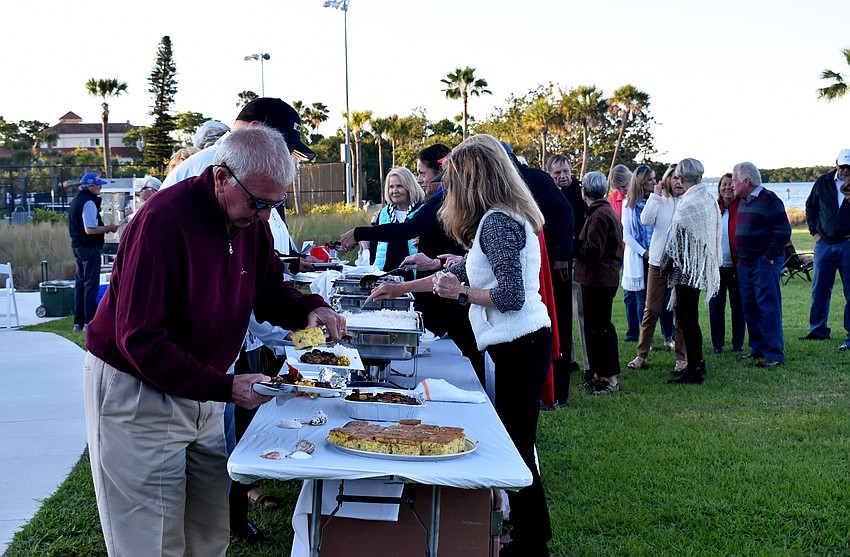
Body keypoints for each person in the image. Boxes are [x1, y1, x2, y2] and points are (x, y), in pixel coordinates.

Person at [82, 125, 345, 556]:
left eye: (274, 204)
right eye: (258, 202)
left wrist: (308, 308)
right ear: (222, 177)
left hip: (204, 386)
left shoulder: (251, 225)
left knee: (207, 531)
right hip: (137, 389)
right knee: (149, 537)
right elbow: (140, 339)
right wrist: (224, 388)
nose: (264, 215)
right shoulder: (162, 222)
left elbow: (269, 288)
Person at [368, 133, 552, 556]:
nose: (448, 188)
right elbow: (471, 273)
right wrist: (406, 286)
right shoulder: (500, 216)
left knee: (518, 446)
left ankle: (530, 542)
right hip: (516, 344)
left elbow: (510, 296)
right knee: (516, 443)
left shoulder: (498, 222)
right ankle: (528, 534)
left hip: (520, 344)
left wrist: (460, 294)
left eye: (453, 178)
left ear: (474, 177)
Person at [341, 164, 487, 386]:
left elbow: (406, 230)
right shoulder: (450, 202)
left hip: (456, 295)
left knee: (472, 349)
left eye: (423, 174)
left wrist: (358, 233)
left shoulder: (448, 203)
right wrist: (434, 262)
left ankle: (482, 394)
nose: (421, 180)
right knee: (470, 350)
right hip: (446, 283)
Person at [502, 142, 574, 407]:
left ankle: (558, 392)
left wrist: (562, 256)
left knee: (558, 323)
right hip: (536, 263)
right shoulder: (512, 182)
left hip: (554, 263)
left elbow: (564, 210)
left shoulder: (534, 177)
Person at [162, 97, 315, 188]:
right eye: (283, 148)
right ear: (255, 129)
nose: (284, 158)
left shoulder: (235, 164)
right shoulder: (211, 166)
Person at [662, 159, 721, 384]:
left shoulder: (690, 202)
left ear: (682, 177)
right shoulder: (706, 198)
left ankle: (694, 368)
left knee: (687, 319)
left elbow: (677, 237)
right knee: (689, 319)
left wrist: (665, 262)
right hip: (697, 266)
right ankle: (697, 364)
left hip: (686, 269)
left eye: (677, 176)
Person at [732, 161, 791, 368]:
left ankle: (774, 354)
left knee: (769, 307)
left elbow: (783, 231)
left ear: (746, 181)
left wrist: (768, 256)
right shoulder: (744, 200)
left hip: (762, 262)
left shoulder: (769, 200)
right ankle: (758, 348)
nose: (732, 185)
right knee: (750, 307)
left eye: (735, 180)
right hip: (745, 263)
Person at [628, 165, 684, 371]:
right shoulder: (660, 200)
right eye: (674, 178)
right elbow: (645, 220)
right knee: (651, 309)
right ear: (667, 180)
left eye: (682, 178)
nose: (678, 182)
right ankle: (641, 355)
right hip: (658, 262)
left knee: (681, 311)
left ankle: (681, 358)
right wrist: (656, 196)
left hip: (681, 265)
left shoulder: (688, 202)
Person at [574, 171, 624, 395]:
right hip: (597, 278)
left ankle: (610, 378)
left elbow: (593, 250)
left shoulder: (599, 215)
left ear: (584, 191)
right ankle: (597, 374)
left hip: (599, 279)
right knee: (594, 328)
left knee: (602, 328)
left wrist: (572, 245)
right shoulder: (601, 211)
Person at [801, 149, 850, 351]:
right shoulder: (823, 181)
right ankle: (818, 330)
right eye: (842, 166)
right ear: (836, 164)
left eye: (849, 167)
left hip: (847, 243)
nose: (845, 170)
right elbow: (811, 206)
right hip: (824, 244)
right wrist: (815, 233)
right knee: (819, 288)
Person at [546, 155, 589, 381]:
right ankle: (567, 358)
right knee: (560, 313)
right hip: (555, 262)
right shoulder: (547, 194)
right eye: (557, 173)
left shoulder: (580, 193)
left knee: (580, 312)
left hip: (576, 258)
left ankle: (588, 363)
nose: (563, 177)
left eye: (566, 171)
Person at [68, 172, 119, 332]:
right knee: (91, 285)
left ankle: (78, 322)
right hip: (89, 247)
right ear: (90, 186)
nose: (100, 187)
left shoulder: (77, 200)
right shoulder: (88, 202)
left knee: (80, 284)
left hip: (78, 246)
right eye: (98, 185)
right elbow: (90, 229)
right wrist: (109, 228)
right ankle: (89, 322)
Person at [709, 173, 746, 354]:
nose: (727, 188)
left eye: (731, 184)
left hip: (737, 267)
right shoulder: (714, 208)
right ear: (719, 188)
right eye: (724, 184)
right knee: (716, 307)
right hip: (716, 267)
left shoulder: (743, 207)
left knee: (738, 308)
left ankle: (737, 345)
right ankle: (717, 345)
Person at [370, 167, 425, 280]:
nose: (394, 191)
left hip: (415, 278)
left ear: (409, 187)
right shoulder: (383, 214)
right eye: (391, 187)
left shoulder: (423, 212)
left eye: (399, 186)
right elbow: (374, 246)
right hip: (385, 277)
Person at [621, 165, 654, 347]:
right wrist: (644, 252)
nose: (654, 182)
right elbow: (626, 234)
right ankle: (645, 338)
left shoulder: (656, 201)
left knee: (662, 299)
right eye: (650, 179)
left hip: (656, 256)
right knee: (642, 299)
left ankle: (668, 336)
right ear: (641, 182)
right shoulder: (629, 205)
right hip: (639, 256)